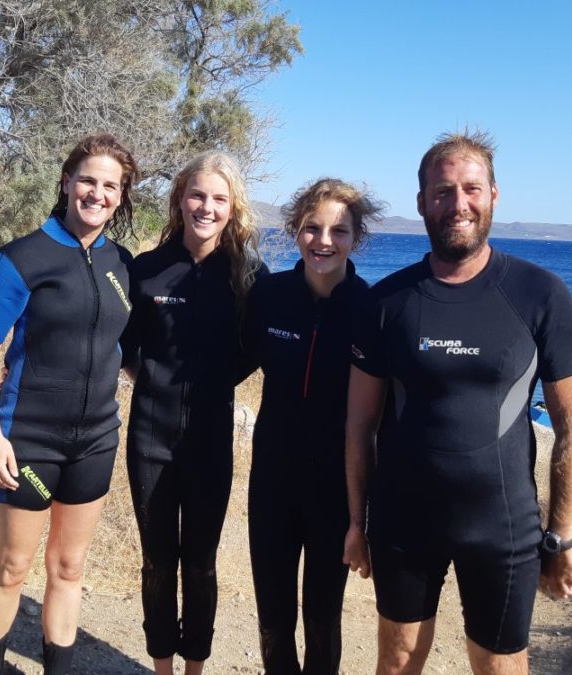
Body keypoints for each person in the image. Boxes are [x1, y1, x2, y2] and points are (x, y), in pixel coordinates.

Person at [343, 131, 572, 675]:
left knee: (498, 665)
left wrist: (561, 536)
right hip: (403, 521)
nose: (458, 204)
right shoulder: (387, 303)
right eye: (443, 191)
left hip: (502, 525)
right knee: (398, 659)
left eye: (471, 189)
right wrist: (358, 523)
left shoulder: (541, 295)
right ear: (421, 202)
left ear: (493, 195)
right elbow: (359, 425)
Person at [0, 134, 139, 674]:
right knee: (12, 566)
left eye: (110, 186)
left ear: (121, 196)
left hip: (96, 441)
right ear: (66, 183)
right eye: (87, 180)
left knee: (69, 568)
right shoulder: (22, 257)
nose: (97, 194)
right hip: (28, 439)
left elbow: (125, 350)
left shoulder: (122, 262)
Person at [122, 151, 264, 675]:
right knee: (158, 563)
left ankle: (194, 669)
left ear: (232, 208)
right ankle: (162, 667)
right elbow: (125, 344)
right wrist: (155, 380)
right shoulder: (147, 269)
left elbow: (256, 347)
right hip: (150, 440)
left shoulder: (248, 275)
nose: (207, 207)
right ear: (180, 199)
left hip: (210, 441)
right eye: (197, 195)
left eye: (219, 199)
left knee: (201, 565)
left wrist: (213, 382)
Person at [242, 179, 382, 674]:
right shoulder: (269, 295)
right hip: (272, 481)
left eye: (338, 231)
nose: (323, 241)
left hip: (335, 489)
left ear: (356, 238)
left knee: (323, 618)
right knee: (273, 614)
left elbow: (384, 411)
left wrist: (367, 513)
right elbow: (227, 361)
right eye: (311, 228)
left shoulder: (371, 308)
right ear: (295, 231)